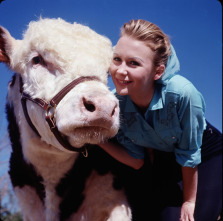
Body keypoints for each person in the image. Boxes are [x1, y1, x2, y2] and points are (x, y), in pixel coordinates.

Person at [99, 19, 222, 221]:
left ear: (158, 72)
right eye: (117, 59)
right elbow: (137, 161)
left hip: (205, 154)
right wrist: (98, 140)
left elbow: (190, 153)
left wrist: (189, 201)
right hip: (167, 158)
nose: (120, 71)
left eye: (134, 63)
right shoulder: (116, 105)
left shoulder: (183, 94)